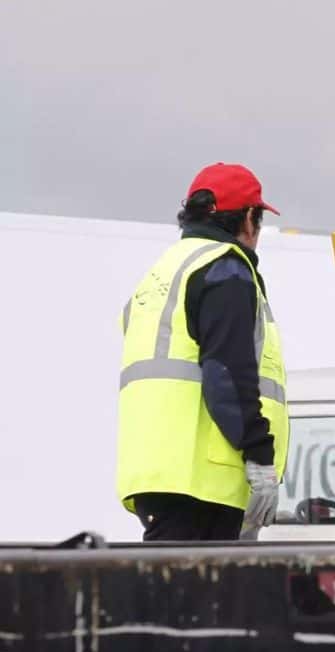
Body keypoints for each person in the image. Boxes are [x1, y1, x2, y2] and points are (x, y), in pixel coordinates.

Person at [116, 162, 289, 541]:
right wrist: (260, 457)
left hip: (157, 472)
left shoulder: (162, 273)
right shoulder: (224, 270)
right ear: (248, 218)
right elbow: (228, 375)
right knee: (201, 596)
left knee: (171, 594)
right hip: (205, 478)